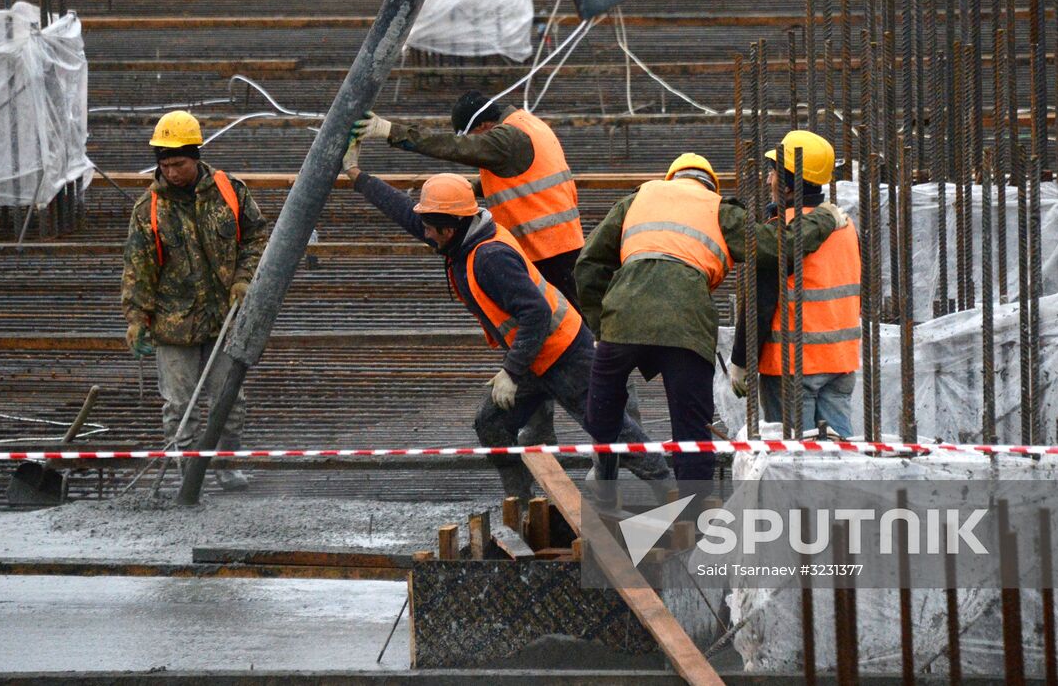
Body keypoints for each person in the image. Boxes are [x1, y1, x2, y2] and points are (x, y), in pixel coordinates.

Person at [341, 138, 670, 500]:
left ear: (448, 230)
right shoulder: (460, 232)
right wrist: (357, 175)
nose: (426, 235)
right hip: (533, 355)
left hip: (565, 353)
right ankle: (523, 502)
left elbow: (537, 313)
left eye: (431, 230)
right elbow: (406, 212)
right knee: (493, 425)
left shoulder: (490, 257)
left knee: (612, 431)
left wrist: (512, 373)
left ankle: (670, 490)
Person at [353, 92, 641, 446]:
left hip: (549, 255)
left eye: (474, 137)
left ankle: (621, 440)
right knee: (537, 339)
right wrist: (454, 194)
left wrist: (390, 131)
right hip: (553, 251)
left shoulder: (508, 139)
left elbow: (458, 150)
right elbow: (504, 180)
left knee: (576, 349)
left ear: (484, 127)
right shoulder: (526, 125)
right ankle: (543, 426)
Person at [576, 152, 845, 483]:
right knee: (692, 432)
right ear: (710, 185)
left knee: (601, 406)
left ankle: (603, 469)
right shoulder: (719, 209)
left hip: (623, 316)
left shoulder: (638, 198)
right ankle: (694, 518)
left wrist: (601, 327)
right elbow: (779, 248)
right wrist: (825, 218)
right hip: (687, 325)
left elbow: (588, 264)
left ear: (671, 177)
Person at [121, 110, 269, 491]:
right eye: (165, 165)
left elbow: (255, 237)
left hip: (224, 318)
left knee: (229, 401)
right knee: (179, 408)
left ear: (196, 156)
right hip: (173, 324)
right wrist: (136, 319)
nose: (171, 172)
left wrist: (243, 280)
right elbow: (138, 270)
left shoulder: (229, 192)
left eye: (179, 163)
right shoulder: (148, 210)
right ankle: (189, 474)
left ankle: (226, 464)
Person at [728, 131, 860, 438]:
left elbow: (761, 302)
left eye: (773, 172)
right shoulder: (845, 225)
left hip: (792, 364)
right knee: (839, 458)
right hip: (840, 361)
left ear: (786, 186)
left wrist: (741, 360)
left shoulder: (781, 232)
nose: (767, 179)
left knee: (794, 460)